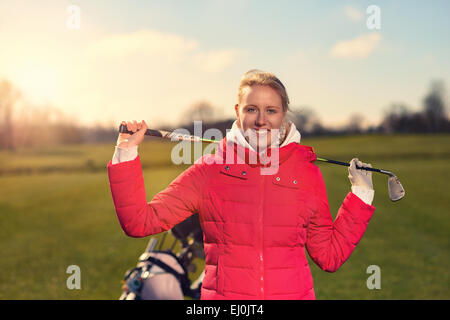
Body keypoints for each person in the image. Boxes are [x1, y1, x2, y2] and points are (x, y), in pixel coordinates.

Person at [107, 69, 375, 300]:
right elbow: (139, 222)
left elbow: (329, 256)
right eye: (251, 109)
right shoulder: (209, 170)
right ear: (238, 112)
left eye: (271, 110)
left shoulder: (306, 174)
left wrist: (360, 196)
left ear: (284, 116)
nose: (261, 120)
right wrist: (126, 153)